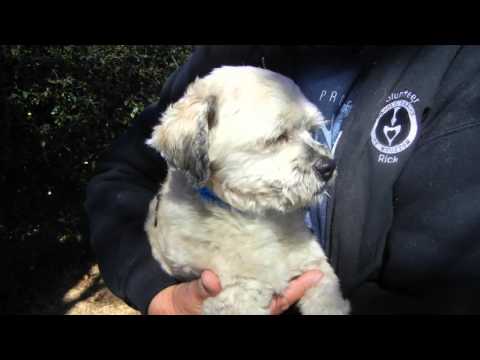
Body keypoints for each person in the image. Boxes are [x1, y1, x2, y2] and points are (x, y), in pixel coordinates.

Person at [85, 45, 480, 314]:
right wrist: (158, 292)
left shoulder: (456, 69)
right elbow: (121, 177)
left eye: (308, 133)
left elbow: (441, 293)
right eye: (277, 138)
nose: (322, 160)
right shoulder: (222, 62)